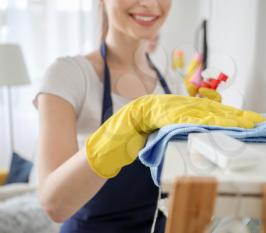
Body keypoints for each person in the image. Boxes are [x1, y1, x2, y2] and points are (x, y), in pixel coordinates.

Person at [33, 0, 174, 232]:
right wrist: (128, 126)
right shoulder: (69, 74)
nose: (149, 3)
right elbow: (54, 204)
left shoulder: (173, 83)